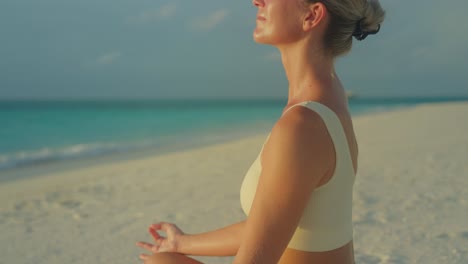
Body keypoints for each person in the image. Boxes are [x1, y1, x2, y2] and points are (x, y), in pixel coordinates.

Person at [136, 0, 385, 263]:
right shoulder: (328, 96)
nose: (257, 1)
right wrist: (183, 243)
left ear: (312, 15)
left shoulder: (302, 125)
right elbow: (276, 226)